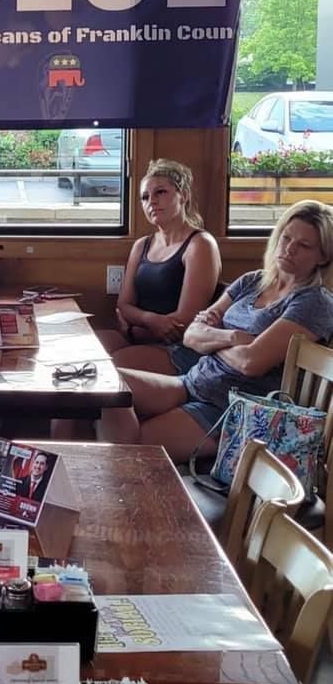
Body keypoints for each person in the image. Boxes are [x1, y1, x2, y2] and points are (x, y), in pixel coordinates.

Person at [98, 200, 333, 464]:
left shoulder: (313, 302)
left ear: (323, 256)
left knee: (129, 449)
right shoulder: (252, 281)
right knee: (104, 384)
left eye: (304, 245)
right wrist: (232, 338)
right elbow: (191, 335)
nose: (289, 249)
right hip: (193, 381)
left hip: (232, 408)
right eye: (286, 238)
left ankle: (119, 474)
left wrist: (212, 341)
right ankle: (113, 472)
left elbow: (250, 362)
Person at [101, 158, 222, 373]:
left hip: (181, 348)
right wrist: (148, 320)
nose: (152, 202)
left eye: (161, 192)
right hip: (139, 336)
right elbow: (123, 305)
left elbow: (184, 323)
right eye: (145, 197)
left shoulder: (200, 244)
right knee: (85, 346)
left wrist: (133, 328)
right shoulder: (142, 245)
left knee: (108, 368)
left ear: (183, 195)